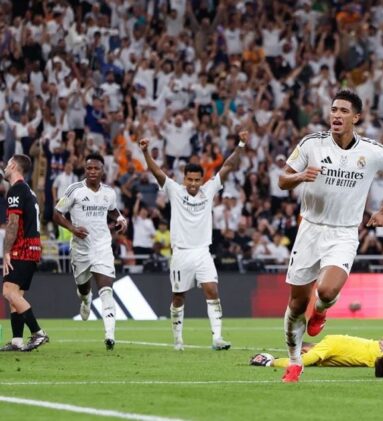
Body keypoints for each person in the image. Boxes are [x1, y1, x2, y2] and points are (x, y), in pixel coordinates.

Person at [277, 89, 383, 382]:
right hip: (310, 229)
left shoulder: (372, 152)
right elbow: (282, 179)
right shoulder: (311, 144)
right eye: (334, 110)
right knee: (297, 305)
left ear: (356, 117)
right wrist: (299, 177)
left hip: (345, 233)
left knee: (325, 292)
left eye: (343, 111)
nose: (336, 115)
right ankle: (295, 361)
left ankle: (321, 311)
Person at [139, 131, 244, 351]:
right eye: (190, 179)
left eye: (197, 180)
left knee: (212, 290)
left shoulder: (209, 190)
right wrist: (146, 152)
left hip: (202, 252)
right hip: (181, 253)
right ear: (184, 178)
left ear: (202, 179)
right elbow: (156, 171)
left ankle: (217, 338)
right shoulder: (175, 191)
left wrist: (241, 144)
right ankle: (178, 339)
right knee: (178, 296)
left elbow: (227, 166)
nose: (194, 184)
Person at [53, 153, 128, 350]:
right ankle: (85, 301)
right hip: (80, 248)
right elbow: (57, 214)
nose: (92, 172)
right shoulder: (74, 190)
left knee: (106, 290)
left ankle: (110, 335)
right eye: (89, 168)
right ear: (85, 170)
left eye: (96, 168)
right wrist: (72, 228)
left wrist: (120, 219)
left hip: (102, 246)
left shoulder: (109, 192)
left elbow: (112, 210)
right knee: (84, 289)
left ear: (102, 170)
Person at [0, 155, 48, 352]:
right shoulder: (28, 190)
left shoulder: (16, 190)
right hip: (33, 247)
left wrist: (6, 252)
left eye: (7, 164)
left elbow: (13, 224)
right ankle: (17, 340)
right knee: (16, 295)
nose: (4, 168)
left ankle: (38, 333)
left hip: (23, 247)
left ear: (13, 166)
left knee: (8, 292)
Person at [251, 335, 383, 368]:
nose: (304, 355)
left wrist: (271, 361)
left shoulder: (327, 344)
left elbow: (300, 363)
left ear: (307, 349)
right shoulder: (332, 343)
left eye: (303, 352)